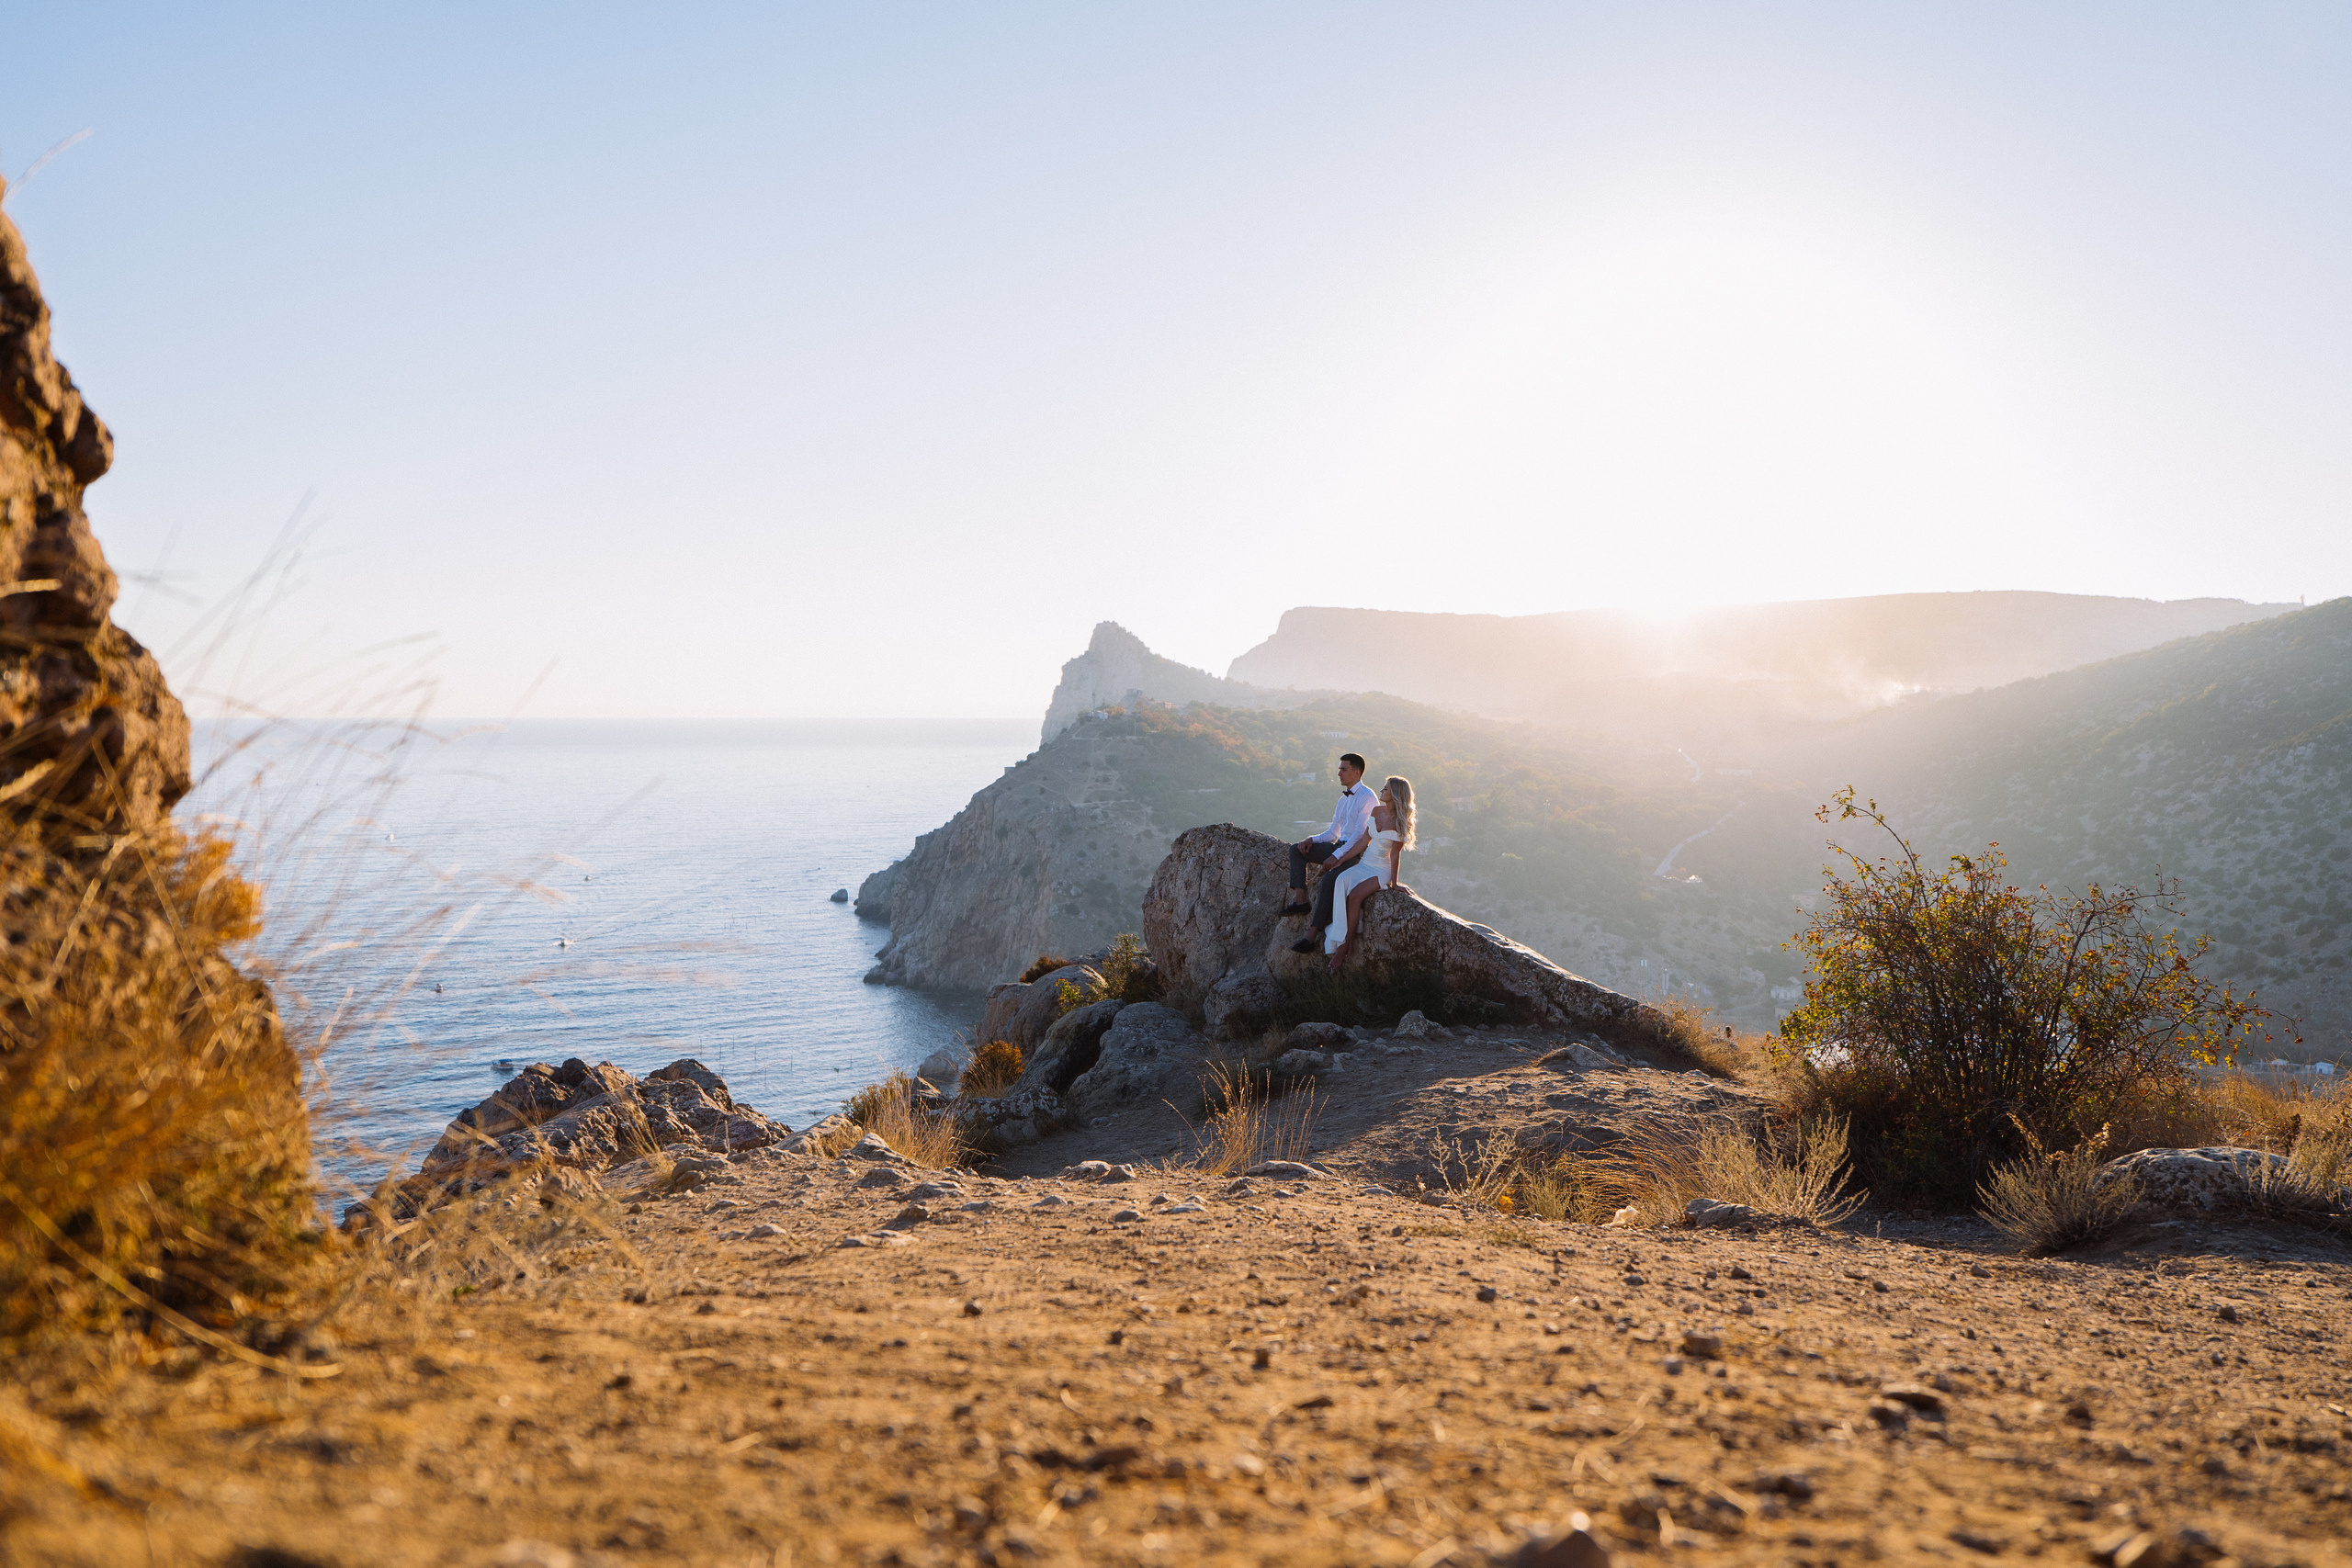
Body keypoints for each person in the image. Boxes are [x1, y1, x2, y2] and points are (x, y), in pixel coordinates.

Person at [1285, 752, 1377, 953]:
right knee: (1296, 850)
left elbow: (1360, 836)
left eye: (1343, 769)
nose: (1339, 773)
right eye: (1339, 769)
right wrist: (1312, 839)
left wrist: (1337, 856)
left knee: (1330, 880)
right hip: (1339, 847)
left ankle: (1312, 935)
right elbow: (1333, 832)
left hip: (1355, 852)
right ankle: (1300, 900)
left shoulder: (1368, 797)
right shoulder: (1342, 800)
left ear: (1357, 772)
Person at [1325, 776, 1414, 965]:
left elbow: (1395, 855)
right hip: (1365, 863)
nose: (1381, 791)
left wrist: (1395, 883)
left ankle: (1344, 945)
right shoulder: (1376, 811)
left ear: (1396, 795)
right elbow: (1363, 842)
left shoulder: (1400, 822)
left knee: (1355, 896)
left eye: (1386, 789)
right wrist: (1341, 860)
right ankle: (1342, 935)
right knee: (1340, 881)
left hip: (1381, 869)